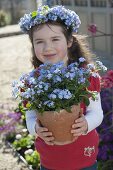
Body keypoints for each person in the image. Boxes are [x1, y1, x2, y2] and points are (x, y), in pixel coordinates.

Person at [19, 5, 103, 170]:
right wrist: (35, 129)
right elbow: (30, 116)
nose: (47, 47)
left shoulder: (87, 75)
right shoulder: (31, 82)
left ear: (70, 41)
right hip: (50, 161)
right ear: (33, 45)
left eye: (55, 39)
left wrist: (86, 123)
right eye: (39, 41)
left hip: (83, 158)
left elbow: (97, 112)